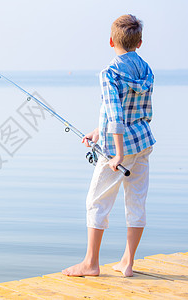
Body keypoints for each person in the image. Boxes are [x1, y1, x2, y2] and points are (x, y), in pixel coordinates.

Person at [62, 14, 156, 277]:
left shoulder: (110, 73)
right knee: (136, 202)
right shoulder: (147, 70)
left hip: (120, 149)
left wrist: (118, 154)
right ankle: (127, 262)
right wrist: (96, 132)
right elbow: (139, 111)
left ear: (111, 40)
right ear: (139, 43)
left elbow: (116, 116)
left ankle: (91, 263)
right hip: (143, 141)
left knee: (96, 202)